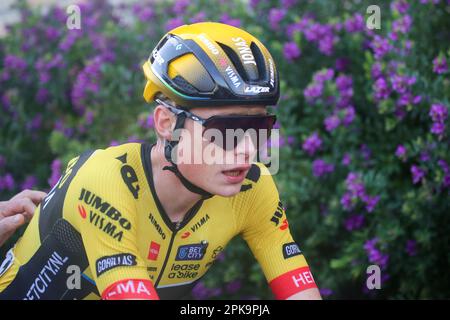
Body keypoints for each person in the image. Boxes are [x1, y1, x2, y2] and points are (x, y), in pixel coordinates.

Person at [0, 22, 321, 300]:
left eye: (258, 129)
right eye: (226, 131)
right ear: (167, 124)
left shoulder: (252, 187)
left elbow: (297, 286)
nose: (246, 150)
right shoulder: (106, 180)